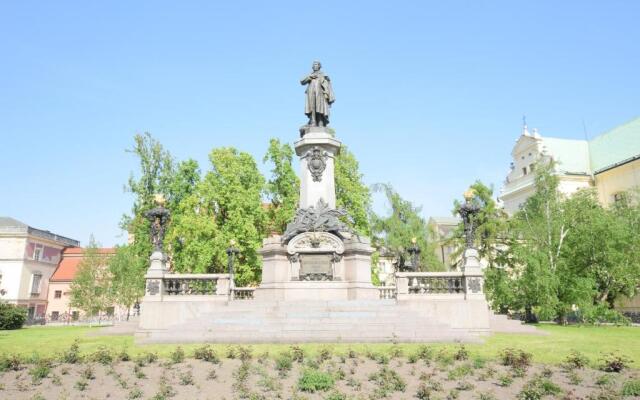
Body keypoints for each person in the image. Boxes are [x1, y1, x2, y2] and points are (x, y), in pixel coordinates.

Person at [301, 61, 335, 127]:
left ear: (319, 66)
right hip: (311, 92)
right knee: (312, 107)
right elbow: (302, 81)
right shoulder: (310, 75)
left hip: (320, 93)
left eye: (316, 64)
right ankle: (313, 121)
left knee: (320, 107)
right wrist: (310, 77)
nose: (314, 66)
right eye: (313, 65)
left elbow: (327, 84)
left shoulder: (323, 74)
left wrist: (327, 93)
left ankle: (320, 121)